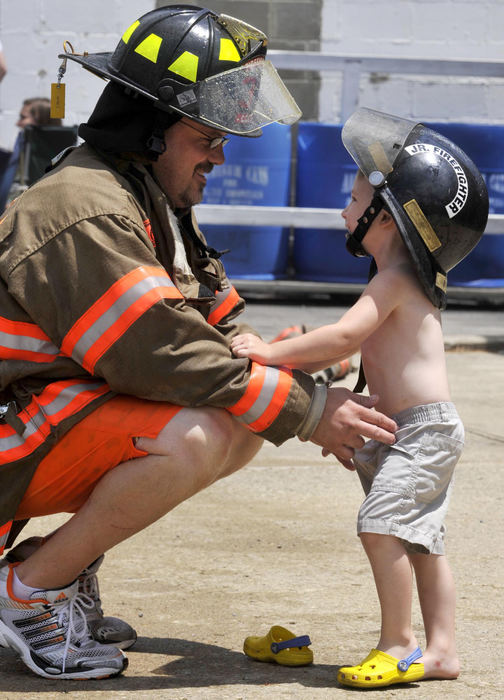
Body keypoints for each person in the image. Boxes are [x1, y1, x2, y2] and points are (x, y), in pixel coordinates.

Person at [0, 7, 397, 681]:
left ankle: (56, 574)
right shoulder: (86, 209)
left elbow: (211, 323)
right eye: (207, 136)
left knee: (237, 418)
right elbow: (161, 353)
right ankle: (28, 593)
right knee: (198, 434)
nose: (221, 154)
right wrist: (311, 410)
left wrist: (286, 357)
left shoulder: (143, 194)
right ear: (151, 128)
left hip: (32, 424)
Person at [231, 107, 489, 688]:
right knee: (421, 539)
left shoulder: (394, 279)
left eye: (354, 200)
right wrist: (345, 385)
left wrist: (268, 354)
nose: (344, 210)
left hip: (422, 431)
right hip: (405, 429)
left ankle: (399, 645)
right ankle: (441, 652)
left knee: (381, 526)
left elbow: (345, 336)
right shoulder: (397, 279)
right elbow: (366, 351)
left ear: (388, 217)